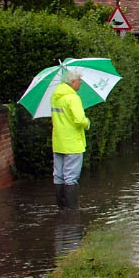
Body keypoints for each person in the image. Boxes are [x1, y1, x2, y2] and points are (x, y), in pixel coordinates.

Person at [51, 69, 90, 209]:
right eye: (79, 81)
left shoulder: (55, 97)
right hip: (73, 143)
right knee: (71, 177)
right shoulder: (73, 98)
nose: (80, 83)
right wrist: (87, 122)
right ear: (72, 82)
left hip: (58, 142)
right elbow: (80, 120)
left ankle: (62, 208)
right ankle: (72, 211)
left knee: (59, 176)